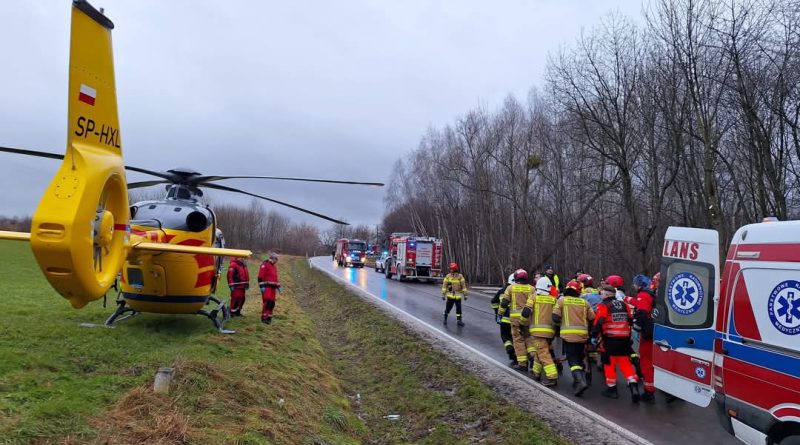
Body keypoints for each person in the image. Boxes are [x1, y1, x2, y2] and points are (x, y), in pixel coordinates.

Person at [592, 284, 640, 402]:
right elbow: (630, 320)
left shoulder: (603, 305)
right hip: (624, 339)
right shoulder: (624, 305)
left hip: (610, 339)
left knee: (609, 364)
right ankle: (634, 387)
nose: (601, 294)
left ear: (607, 294)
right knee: (625, 364)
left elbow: (600, 320)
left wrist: (593, 335)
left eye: (602, 292)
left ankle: (612, 390)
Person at [553, 280, 595, 396]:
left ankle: (580, 380)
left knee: (572, 360)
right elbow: (592, 318)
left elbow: (555, 317)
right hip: (582, 335)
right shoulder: (584, 302)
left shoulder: (562, 301)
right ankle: (580, 379)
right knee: (580, 358)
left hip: (568, 336)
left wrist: (561, 325)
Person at [499, 269, 536, 372]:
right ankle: (533, 356)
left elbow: (504, 303)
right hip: (528, 319)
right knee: (528, 338)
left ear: (516, 277)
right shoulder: (532, 289)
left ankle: (522, 364)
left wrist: (500, 314)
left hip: (515, 320)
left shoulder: (510, 288)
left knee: (518, 341)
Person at [631, 274, 656, 403]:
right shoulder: (651, 294)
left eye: (635, 284)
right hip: (653, 332)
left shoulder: (643, 295)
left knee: (646, 362)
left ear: (639, 285)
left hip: (647, 334)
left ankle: (649, 392)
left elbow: (641, 312)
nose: (634, 286)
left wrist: (636, 327)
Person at [530, 277, 559, 386]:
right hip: (550, 332)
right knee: (540, 351)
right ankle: (536, 373)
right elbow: (557, 316)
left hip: (537, 332)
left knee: (543, 353)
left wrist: (522, 323)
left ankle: (552, 377)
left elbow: (525, 313)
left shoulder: (534, 298)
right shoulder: (554, 299)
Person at [491, 273, 517, 364]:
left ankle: (510, 351)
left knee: (505, 336)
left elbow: (494, 302)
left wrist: (496, 313)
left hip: (504, 319)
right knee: (517, 338)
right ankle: (519, 357)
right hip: (517, 320)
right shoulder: (520, 291)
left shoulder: (502, 291)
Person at [257, 252, 281, 324]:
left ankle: (269, 317)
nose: (277, 261)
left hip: (273, 288)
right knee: (267, 303)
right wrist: (261, 287)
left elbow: (275, 278)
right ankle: (264, 318)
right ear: (273, 259)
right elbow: (260, 277)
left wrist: (278, 286)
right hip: (266, 288)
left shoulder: (274, 267)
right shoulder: (265, 265)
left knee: (272, 303)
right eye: (276, 259)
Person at [441, 262, 468, 326]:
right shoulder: (448, 276)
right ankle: (445, 318)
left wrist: (465, 295)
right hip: (450, 296)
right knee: (448, 308)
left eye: (451, 269)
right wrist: (443, 294)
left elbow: (464, 287)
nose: (450, 270)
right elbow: (444, 286)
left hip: (458, 296)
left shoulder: (460, 277)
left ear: (454, 269)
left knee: (459, 309)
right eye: (450, 269)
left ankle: (459, 320)